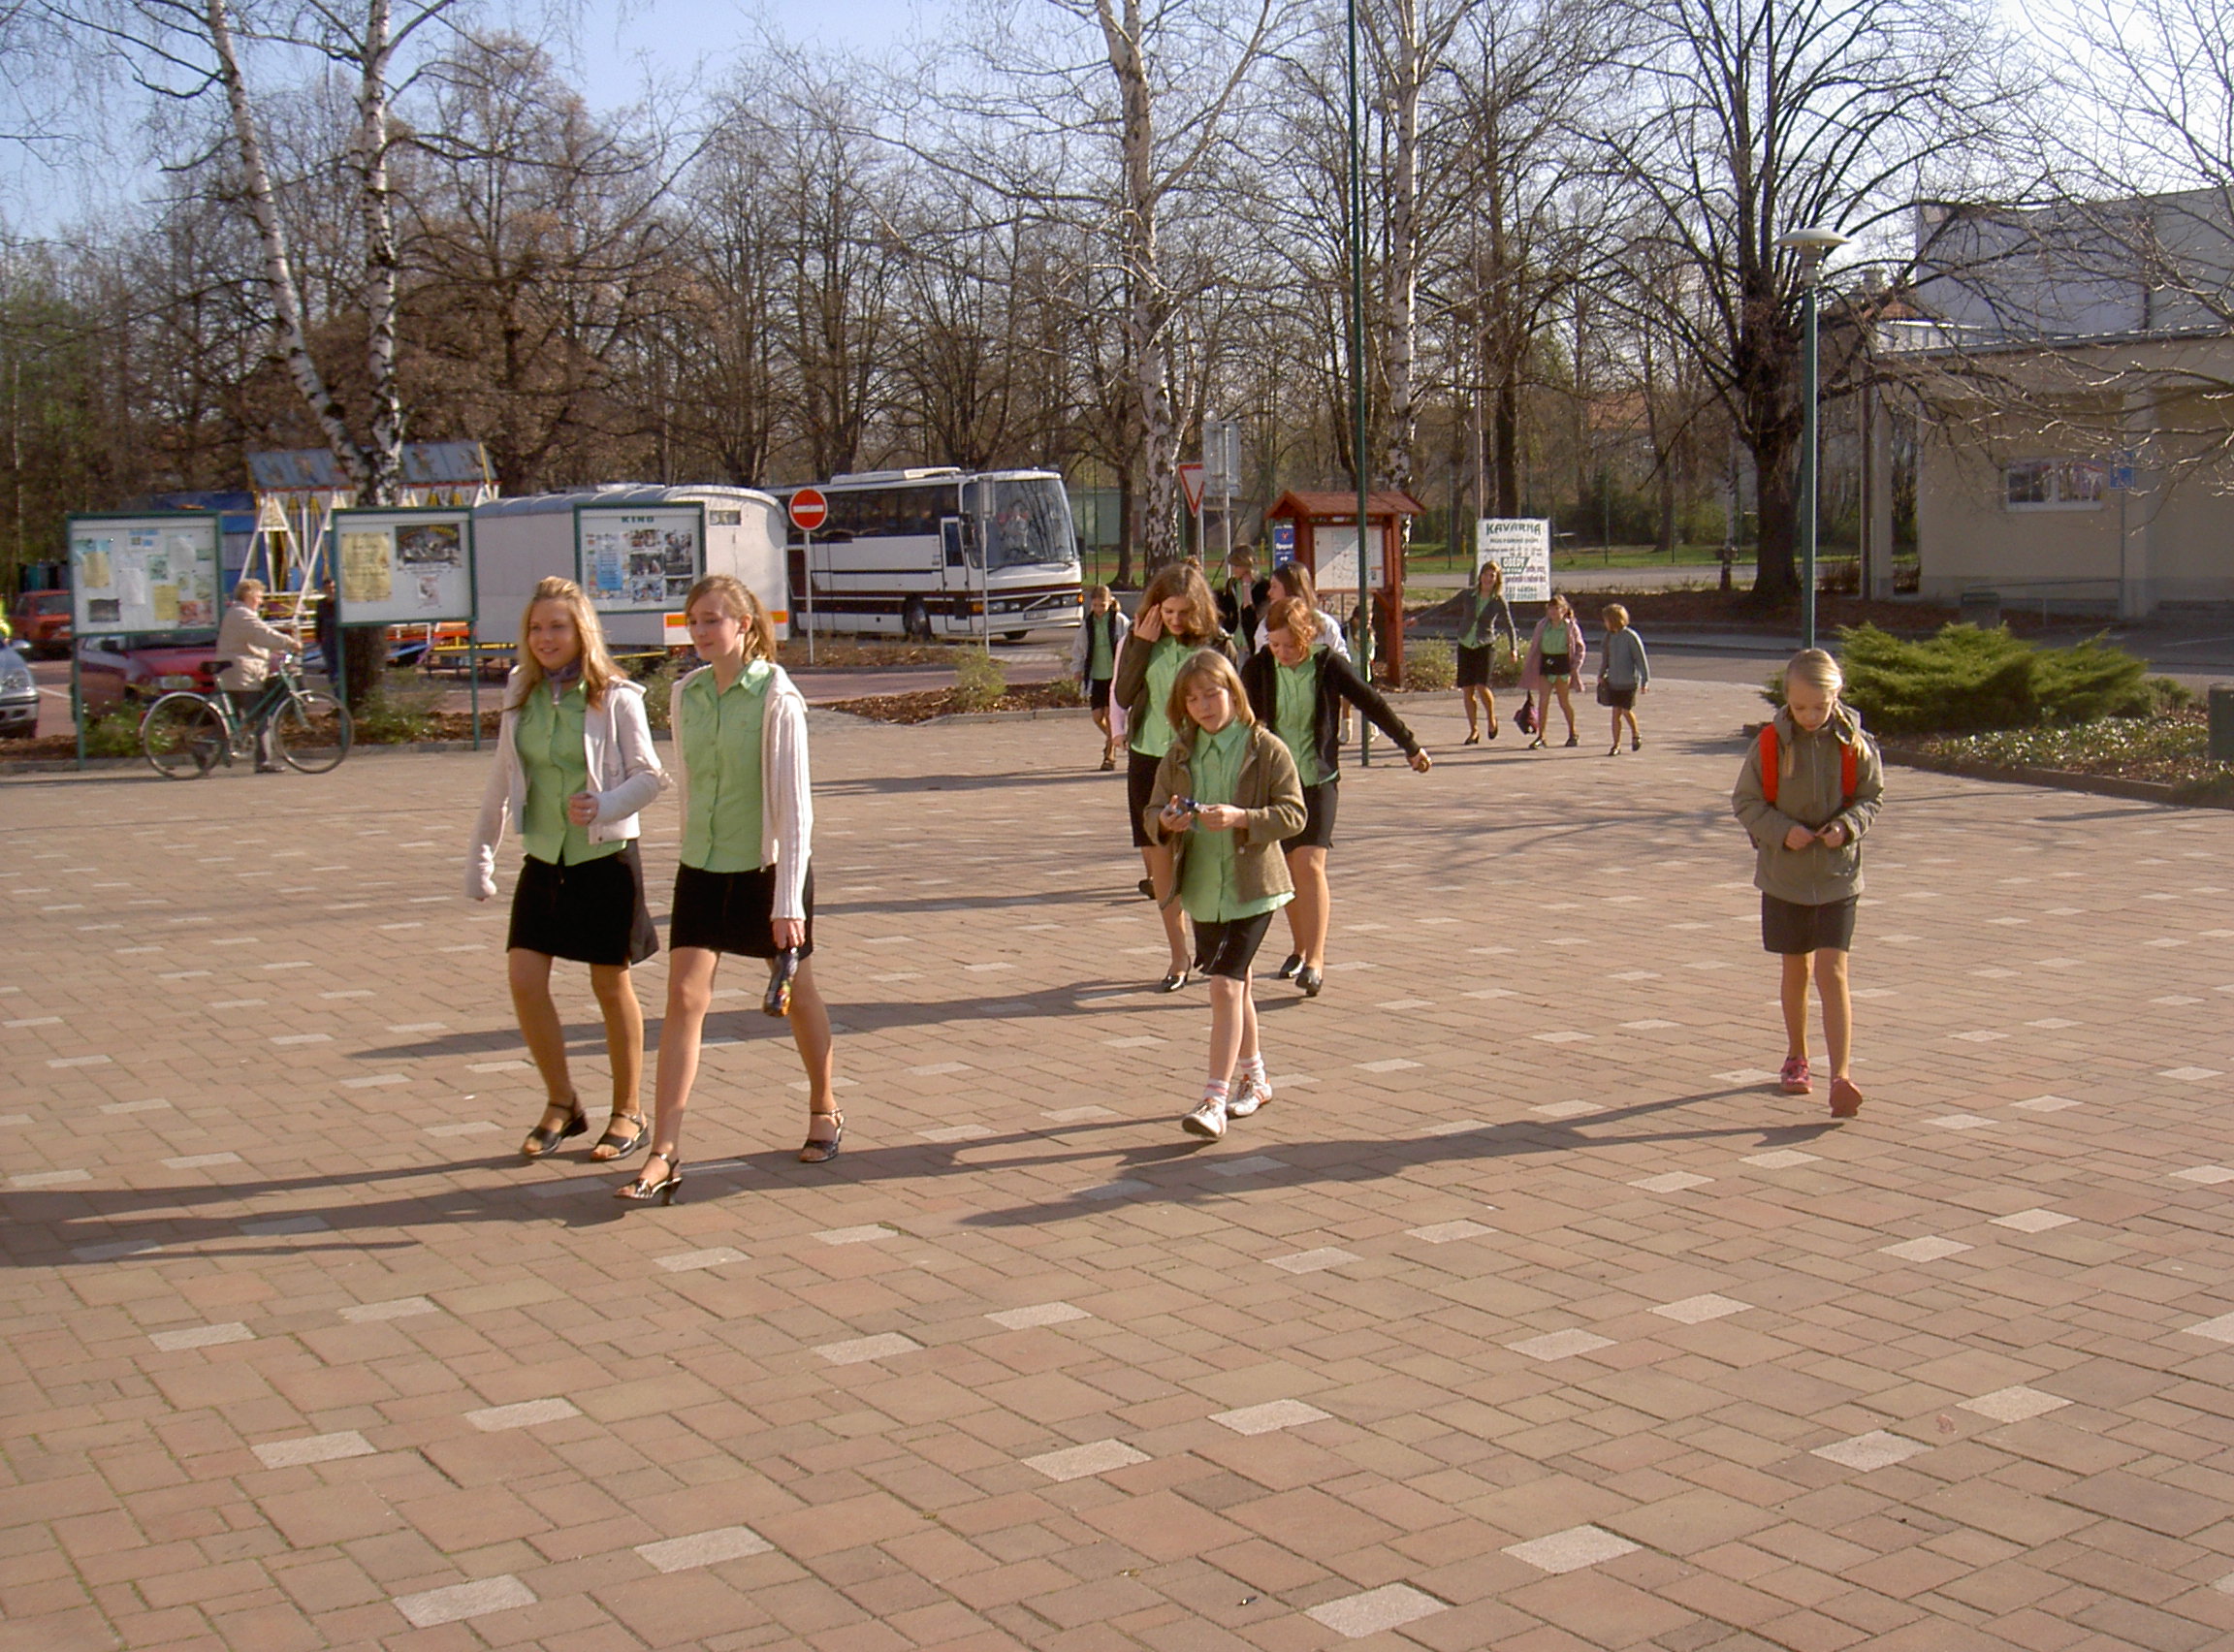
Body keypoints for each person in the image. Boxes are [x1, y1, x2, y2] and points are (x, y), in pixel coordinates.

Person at [621, 574, 840, 1203]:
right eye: (694, 620)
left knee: (798, 996)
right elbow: (689, 784)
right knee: (684, 998)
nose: (701, 630)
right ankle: (665, 1151)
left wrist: (787, 902)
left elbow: (795, 809)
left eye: (713, 619)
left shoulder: (777, 696)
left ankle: (824, 1106)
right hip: (701, 867)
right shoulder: (685, 694)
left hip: (767, 871)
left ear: (744, 625)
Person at [465, 576, 667, 1163]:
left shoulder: (616, 695)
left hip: (604, 860)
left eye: (557, 626)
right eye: (535, 628)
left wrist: (606, 804)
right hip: (544, 859)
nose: (545, 638)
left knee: (610, 984)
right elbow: (502, 778)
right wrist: (480, 856)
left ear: (582, 632)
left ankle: (629, 1111)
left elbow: (651, 776)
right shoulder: (520, 692)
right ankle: (563, 1103)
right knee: (525, 979)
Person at [1143, 650, 1305, 1140]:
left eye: (1211, 694)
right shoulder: (1179, 754)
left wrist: (1241, 818)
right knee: (1238, 986)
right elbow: (1151, 813)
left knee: (1224, 986)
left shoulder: (1266, 747)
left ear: (1233, 692)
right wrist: (1165, 822)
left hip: (1254, 888)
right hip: (1201, 888)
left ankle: (1213, 1099)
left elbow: (1294, 814)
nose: (1203, 706)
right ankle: (1255, 1078)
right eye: (1192, 699)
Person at [1241, 595, 1431, 999]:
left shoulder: (1328, 665)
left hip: (1318, 779)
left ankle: (1315, 960)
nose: (1282, 653)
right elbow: (1237, 720)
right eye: (1275, 645)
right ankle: (1299, 948)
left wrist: (1410, 745)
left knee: (1309, 864)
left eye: (1289, 645)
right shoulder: (1258, 668)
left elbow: (1371, 702)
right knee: (1287, 870)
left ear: (1308, 636)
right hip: (1276, 785)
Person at [1732, 648, 1884, 1119]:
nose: (1811, 716)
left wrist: (1847, 826)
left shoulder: (1855, 742)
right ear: (1787, 699)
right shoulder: (1770, 745)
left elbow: (1871, 796)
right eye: (1800, 707)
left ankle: (1842, 1075)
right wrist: (1782, 831)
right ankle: (1797, 1056)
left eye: (1820, 706)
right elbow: (1745, 802)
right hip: (1785, 878)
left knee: (1832, 971)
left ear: (1836, 697)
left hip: (1838, 876)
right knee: (1795, 968)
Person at [1113, 563, 1237, 990]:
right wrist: (1142, 646)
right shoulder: (1142, 638)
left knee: (1205, 856)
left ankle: (1211, 941)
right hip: (1149, 758)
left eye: (1184, 612)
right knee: (1161, 857)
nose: (1176, 620)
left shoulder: (1217, 643)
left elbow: (1236, 705)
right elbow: (1123, 695)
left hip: (1198, 760)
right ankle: (1178, 955)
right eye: (1168, 612)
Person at [215, 578, 303, 772]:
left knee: (235, 719)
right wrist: (290, 643)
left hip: (235, 672)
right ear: (249, 595)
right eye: (259, 596)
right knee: (261, 717)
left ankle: (204, 748)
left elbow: (253, 641)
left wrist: (276, 650)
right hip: (243, 674)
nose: (261, 601)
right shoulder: (242, 615)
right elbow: (263, 634)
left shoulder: (236, 613)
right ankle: (263, 761)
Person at [1070, 584, 1130, 770]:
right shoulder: (1088, 624)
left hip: (1114, 675)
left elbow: (1129, 645)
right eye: (1095, 605)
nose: (1098, 609)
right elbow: (1079, 648)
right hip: (1096, 675)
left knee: (1110, 716)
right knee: (1097, 716)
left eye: (1102, 605)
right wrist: (1077, 669)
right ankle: (1114, 738)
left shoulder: (1119, 621)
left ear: (1110, 603)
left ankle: (1109, 756)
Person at [1454, 561, 1515, 744]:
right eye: (1486, 574)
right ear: (1480, 576)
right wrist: (1418, 619)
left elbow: (1509, 625)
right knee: (1467, 689)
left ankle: (1491, 717)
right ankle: (1474, 730)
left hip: (1485, 645)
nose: (1488, 579)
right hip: (1466, 644)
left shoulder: (1498, 601)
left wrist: (1513, 648)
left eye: (1492, 576)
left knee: (1482, 685)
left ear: (1497, 580)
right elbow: (1445, 606)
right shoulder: (1468, 595)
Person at [1521, 592, 1585, 749]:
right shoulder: (1542, 625)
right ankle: (1541, 736)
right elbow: (1535, 646)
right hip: (1546, 663)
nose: (1553, 612)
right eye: (1550, 609)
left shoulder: (1570, 627)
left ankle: (1573, 732)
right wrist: (1529, 665)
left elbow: (1580, 648)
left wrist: (1575, 667)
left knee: (1564, 702)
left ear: (1564, 610)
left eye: (1556, 609)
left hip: (1563, 664)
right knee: (1543, 701)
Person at [1597, 604, 1650, 755]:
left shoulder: (1630, 636)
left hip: (1628, 682)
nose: (1605, 623)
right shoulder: (1608, 637)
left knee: (1626, 711)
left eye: (1607, 620)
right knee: (1616, 713)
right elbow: (1605, 659)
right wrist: (1601, 674)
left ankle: (1635, 734)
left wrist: (1645, 680)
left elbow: (1640, 659)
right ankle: (1616, 745)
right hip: (1614, 681)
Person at [1215, 548, 1267, 648]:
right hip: (1235, 640)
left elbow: (1256, 616)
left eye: (1237, 566)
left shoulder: (1262, 586)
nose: (1234, 569)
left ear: (1247, 566)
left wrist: (1246, 586)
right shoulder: (1232, 584)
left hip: (1253, 641)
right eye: (1232, 565)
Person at [313, 577, 342, 695]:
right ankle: (337, 696)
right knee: (333, 672)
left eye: (334, 588)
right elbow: (319, 622)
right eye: (328, 588)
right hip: (328, 642)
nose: (332, 590)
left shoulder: (342, 604)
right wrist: (319, 639)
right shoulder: (321, 604)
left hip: (342, 641)